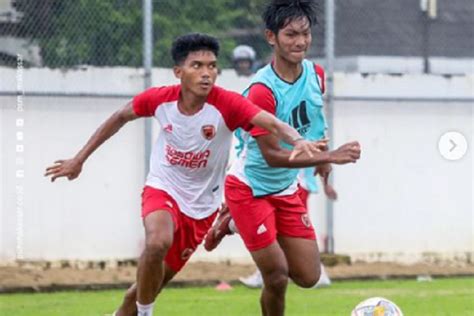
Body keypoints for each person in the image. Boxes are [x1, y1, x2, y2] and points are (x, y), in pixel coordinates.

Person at [44, 33, 325, 316]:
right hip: (163, 188)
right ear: (178, 72)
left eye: (212, 66)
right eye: (197, 66)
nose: (206, 73)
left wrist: (297, 139)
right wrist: (79, 159)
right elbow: (120, 116)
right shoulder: (159, 99)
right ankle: (145, 314)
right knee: (157, 241)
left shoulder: (227, 104)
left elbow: (271, 122)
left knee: (153, 280)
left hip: (202, 208)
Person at [204, 1, 361, 315]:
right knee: (276, 276)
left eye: (305, 33)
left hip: (285, 188)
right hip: (249, 188)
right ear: (271, 37)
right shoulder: (262, 90)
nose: (300, 41)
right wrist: (333, 154)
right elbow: (273, 155)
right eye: (291, 34)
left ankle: (231, 222)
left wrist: (322, 160)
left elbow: (314, 122)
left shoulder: (316, 75)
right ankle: (235, 218)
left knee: (308, 276)